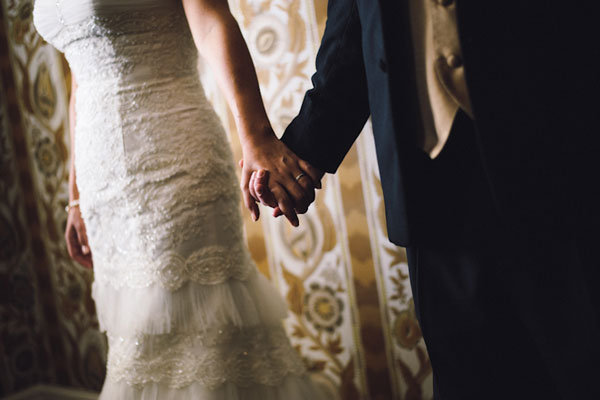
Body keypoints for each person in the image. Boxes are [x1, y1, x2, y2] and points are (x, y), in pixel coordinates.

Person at [242, 0, 600, 399]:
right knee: (475, 380)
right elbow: (354, 29)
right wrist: (301, 156)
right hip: (433, 189)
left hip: (566, 163)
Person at [32, 0, 327, 398]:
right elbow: (81, 75)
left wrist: (256, 137)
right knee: (135, 346)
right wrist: (76, 195)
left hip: (173, 163)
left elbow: (210, 22)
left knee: (200, 344)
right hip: (103, 188)